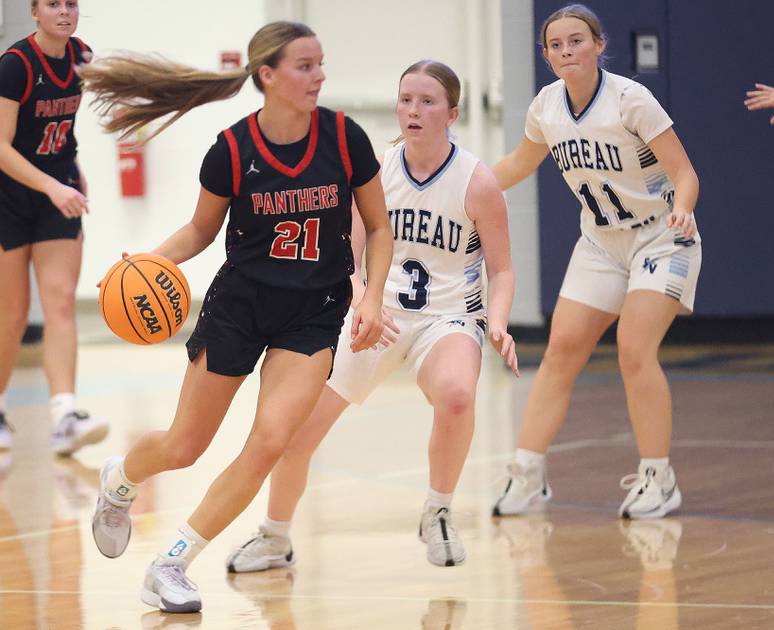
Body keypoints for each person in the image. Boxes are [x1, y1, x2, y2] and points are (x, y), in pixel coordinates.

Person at [79, 21, 393, 613]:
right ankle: (120, 479)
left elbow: (378, 226)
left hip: (314, 310)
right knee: (183, 447)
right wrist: (144, 262)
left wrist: (371, 295)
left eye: (320, 63)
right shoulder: (232, 148)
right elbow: (201, 230)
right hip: (241, 305)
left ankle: (171, 563)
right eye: (305, 65)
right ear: (268, 75)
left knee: (270, 441)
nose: (319, 76)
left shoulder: (345, 138)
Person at [225, 59, 518, 572]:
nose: (413, 110)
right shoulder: (377, 170)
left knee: (455, 394)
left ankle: (438, 510)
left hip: (448, 317)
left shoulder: (478, 182)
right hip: (378, 314)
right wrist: (363, 299)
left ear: (452, 113)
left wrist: (496, 321)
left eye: (427, 102)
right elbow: (349, 253)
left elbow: (503, 268)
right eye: (406, 99)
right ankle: (274, 537)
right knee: (295, 429)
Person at [491, 4, 701, 520]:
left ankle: (659, 477)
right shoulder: (545, 107)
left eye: (576, 41)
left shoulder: (631, 99)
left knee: (633, 349)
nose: (567, 51)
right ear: (546, 55)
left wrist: (682, 210)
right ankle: (528, 472)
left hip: (661, 236)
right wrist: (460, 185)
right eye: (556, 44)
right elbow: (519, 163)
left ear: (598, 45)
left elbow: (686, 173)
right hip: (601, 242)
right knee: (561, 349)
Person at [0, 0, 108, 456]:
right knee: (12, 313)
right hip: (12, 192)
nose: (64, 12)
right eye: (53, 4)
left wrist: (72, 166)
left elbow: (67, 125)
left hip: (58, 187)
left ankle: (65, 415)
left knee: (60, 301)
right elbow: (1, 147)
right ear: (34, 12)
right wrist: (50, 186)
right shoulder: (15, 65)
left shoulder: (83, 56)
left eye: (71, 3)